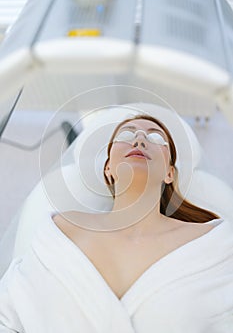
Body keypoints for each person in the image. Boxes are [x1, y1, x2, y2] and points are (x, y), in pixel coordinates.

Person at [0, 114, 232, 333]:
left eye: (155, 137)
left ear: (169, 173)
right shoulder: (59, 230)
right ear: (108, 168)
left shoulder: (212, 243)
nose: (140, 139)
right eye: (126, 135)